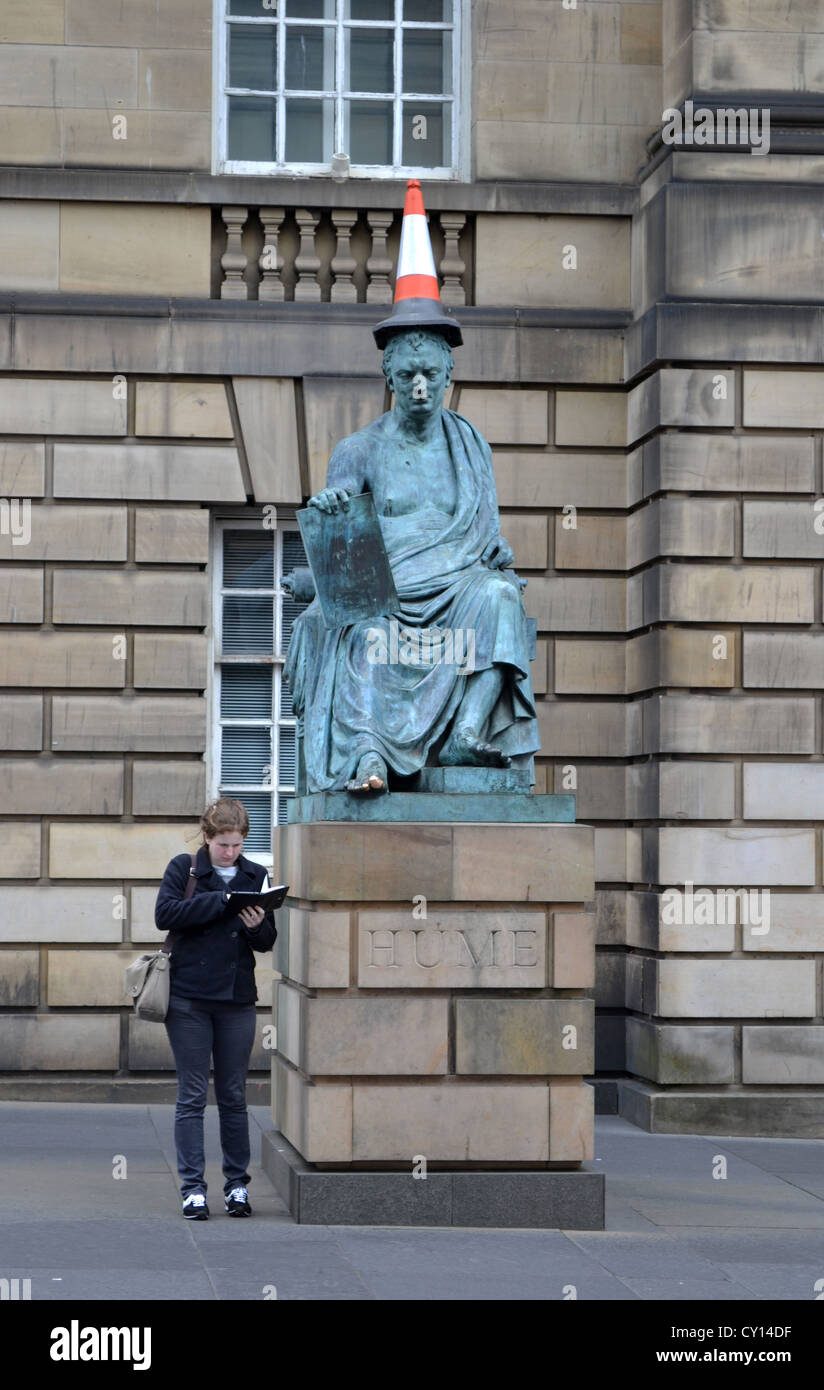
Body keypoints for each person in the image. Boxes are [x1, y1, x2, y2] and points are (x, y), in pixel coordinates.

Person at [283, 327, 540, 794]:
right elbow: (338, 538)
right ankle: (369, 756)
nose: (420, 386)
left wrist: (498, 549)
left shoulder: (470, 446)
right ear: (389, 378)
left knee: (501, 596)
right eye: (407, 375)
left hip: (458, 584)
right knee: (367, 633)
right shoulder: (358, 449)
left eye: (430, 374)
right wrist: (332, 504)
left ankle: (466, 731)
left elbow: (484, 532)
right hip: (389, 592)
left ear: (448, 375)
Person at [154, 797, 277, 1220]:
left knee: (233, 1097)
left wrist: (257, 925)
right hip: (188, 999)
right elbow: (165, 913)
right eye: (223, 844)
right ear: (207, 838)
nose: (230, 852)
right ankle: (192, 1189)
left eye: (237, 845)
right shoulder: (184, 868)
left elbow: (266, 942)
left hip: (236, 1000)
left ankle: (237, 1186)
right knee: (191, 1096)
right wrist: (222, 900)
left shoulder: (256, 874)